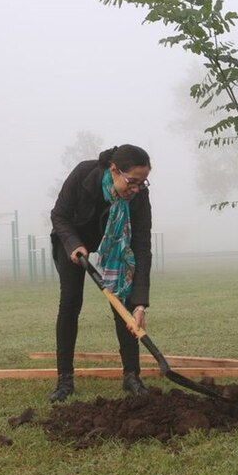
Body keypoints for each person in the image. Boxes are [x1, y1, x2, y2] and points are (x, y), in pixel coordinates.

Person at [49, 144, 152, 402]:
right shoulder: (83, 174)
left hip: (117, 247)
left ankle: (131, 376)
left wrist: (140, 304)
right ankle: (65, 380)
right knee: (71, 302)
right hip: (73, 239)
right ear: (114, 170)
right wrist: (73, 244)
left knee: (124, 304)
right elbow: (59, 215)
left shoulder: (138, 196)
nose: (136, 188)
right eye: (132, 181)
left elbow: (141, 247)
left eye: (143, 182)